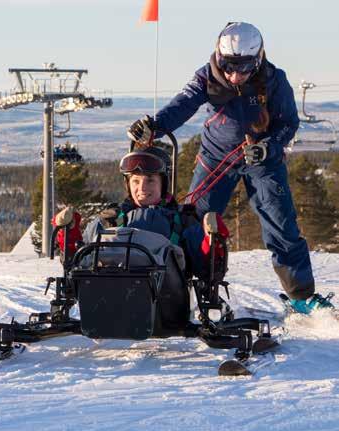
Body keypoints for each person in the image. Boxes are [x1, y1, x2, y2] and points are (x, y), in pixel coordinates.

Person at [127, 22, 334, 315]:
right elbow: (182, 105)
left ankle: (301, 295)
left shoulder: (275, 80)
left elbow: (289, 123)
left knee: (281, 223)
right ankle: (178, 288)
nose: (235, 74)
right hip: (216, 159)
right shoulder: (206, 77)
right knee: (194, 222)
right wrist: (154, 127)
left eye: (244, 67)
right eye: (227, 66)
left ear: (258, 59)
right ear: (218, 56)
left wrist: (269, 146)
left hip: (262, 159)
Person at [54, 145, 229, 280]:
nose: (142, 188)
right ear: (128, 184)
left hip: (166, 307)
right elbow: (79, 262)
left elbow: (205, 266)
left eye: (150, 181)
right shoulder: (110, 220)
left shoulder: (182, 220)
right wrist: (69, 233)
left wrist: (211, 239)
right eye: (135, 181)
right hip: (107, 298)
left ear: (163, 184)